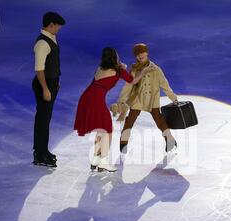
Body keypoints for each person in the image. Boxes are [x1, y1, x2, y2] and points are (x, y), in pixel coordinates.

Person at [74, 47, 152, 172]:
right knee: (107, 129)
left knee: (100, 128)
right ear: (114, 58)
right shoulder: (119, 70)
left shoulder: (100, 68)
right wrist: (143, 71)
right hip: (96, 99)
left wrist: (122, 67)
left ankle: (96, 159)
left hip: (87, 96)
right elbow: (133, 80)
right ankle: (104, 160)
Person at [116, 43, 178, 155]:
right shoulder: (134, 70)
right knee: (130, 120)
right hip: (138, 98)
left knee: (159, 120)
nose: (140, 56)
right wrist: (122, 99)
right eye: (137, 54)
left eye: (142, 52)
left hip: (152, 98)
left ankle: (170, 141)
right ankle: (123, 143)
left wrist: (173, 97)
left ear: (147, 53)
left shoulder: (155, 69)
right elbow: (128, 85)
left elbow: (164, 84)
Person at [32, 12, 66, 167]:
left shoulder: (52, 38)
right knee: (42, 120)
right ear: (51, 24)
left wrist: (55, 82)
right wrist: (46, 89)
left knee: (46, 119)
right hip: (43, 84)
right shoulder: (42, 44)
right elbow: (39, 70)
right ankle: (39, 154)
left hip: (51, 83)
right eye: (58, 26)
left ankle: (43, 150)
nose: (59, 28)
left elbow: (53, 64)